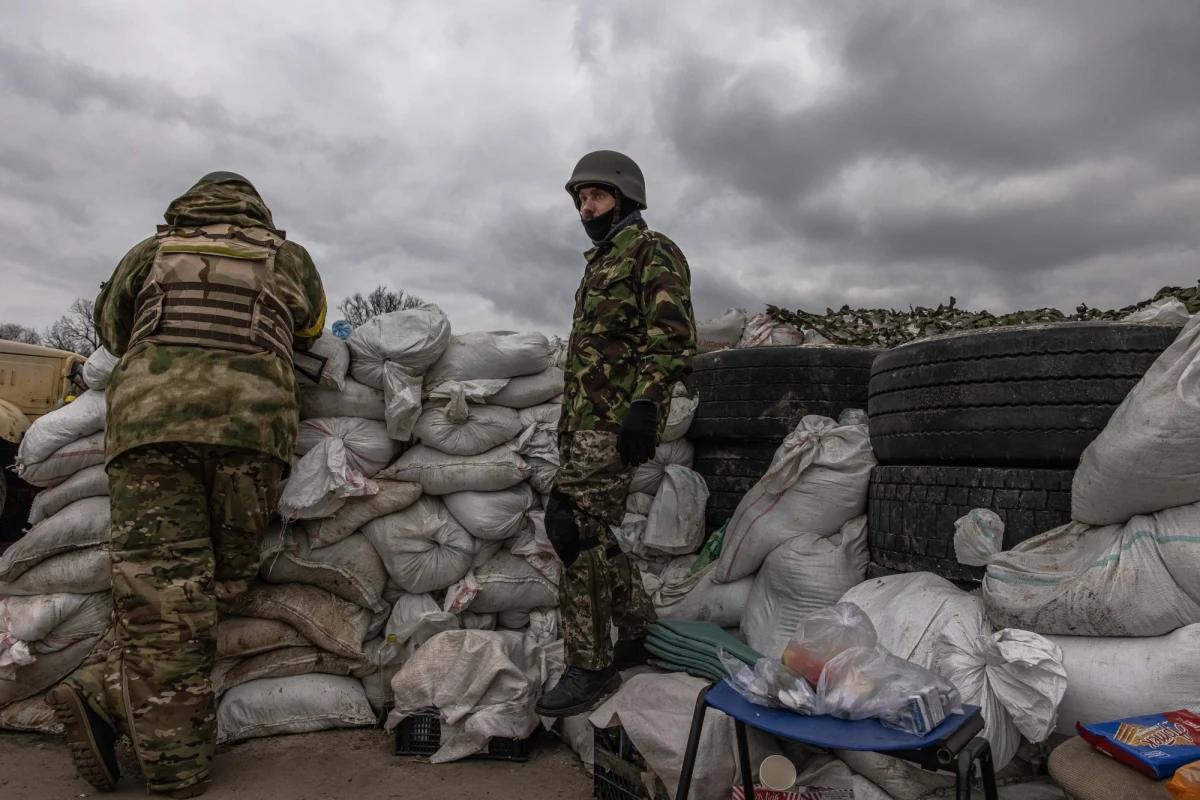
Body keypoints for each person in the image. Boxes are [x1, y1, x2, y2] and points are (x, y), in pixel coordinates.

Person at [48, 172, 326, 797]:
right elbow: (309, 328)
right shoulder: (289, 257)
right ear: (257, 211)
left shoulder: (150, 252)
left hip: (150, 429)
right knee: (220, 580)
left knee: (164, 591)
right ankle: (173, 767)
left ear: (187, 207)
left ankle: (104, 691)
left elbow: (113, 331)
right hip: (252, 433)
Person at [536, 150, 697, 717]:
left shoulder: (652, 250)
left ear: (625, 198)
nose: (586, 208)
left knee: (569, 523)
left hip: (615, 420)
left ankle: (590, 664)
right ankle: (636, 631)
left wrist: (646, 404)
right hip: (582, 423)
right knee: (590, 532)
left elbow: (672, 336)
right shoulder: (598, 265)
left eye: (597, 196)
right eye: (581, 199)